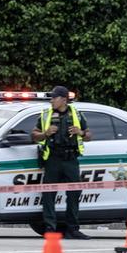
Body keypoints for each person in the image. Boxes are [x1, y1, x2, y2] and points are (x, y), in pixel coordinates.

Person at [31, 86, 92, 239]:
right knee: (49, 194)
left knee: (74, 193)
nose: (51, 100)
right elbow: (33, 135)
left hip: (71, 159)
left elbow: (89, 135)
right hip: (53, 159)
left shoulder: (77, 114)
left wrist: (81, 132)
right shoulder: (46, 115)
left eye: (54, 98)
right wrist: (45, 133)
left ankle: (73, 229)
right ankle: (50, 229)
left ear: (63, 99)